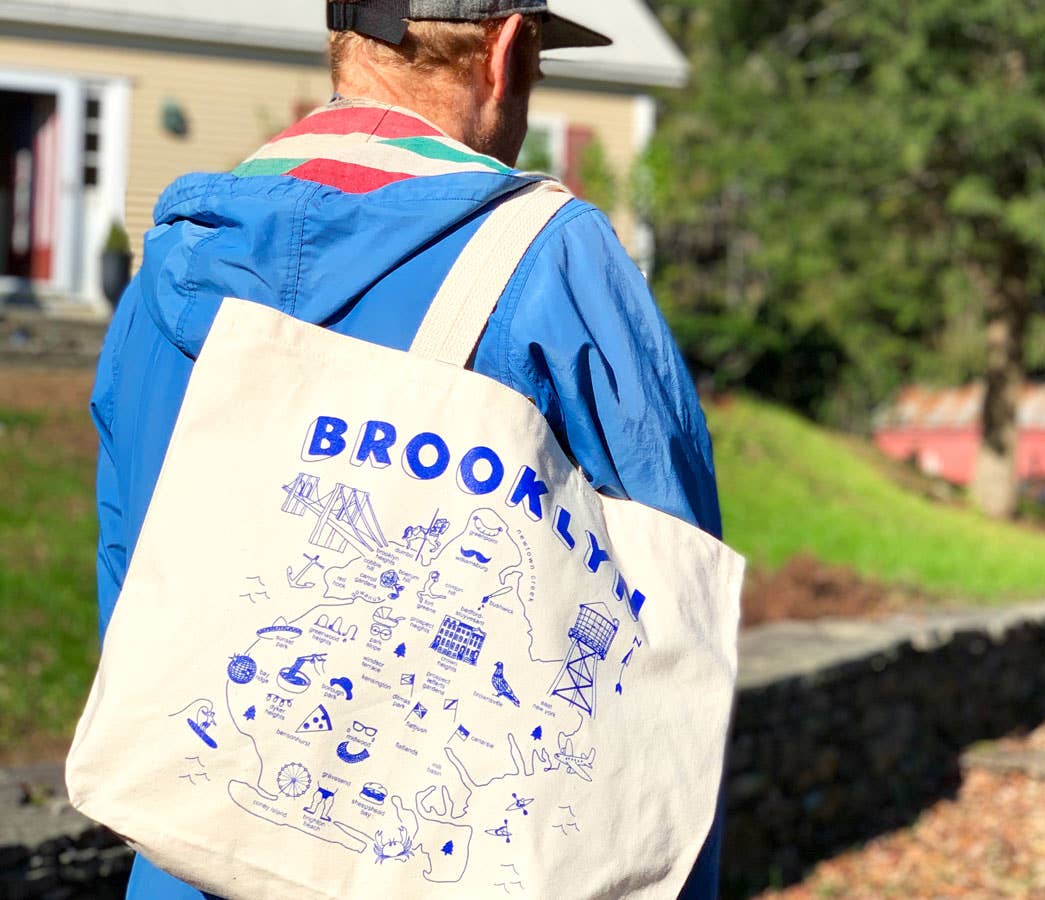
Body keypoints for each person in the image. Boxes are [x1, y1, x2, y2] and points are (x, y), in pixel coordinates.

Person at [91, 1, 726, 897]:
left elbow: (130, 582)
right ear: (505, 51)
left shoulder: (171, 264)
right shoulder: (555, 263)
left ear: (343, 40)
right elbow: (671, 638)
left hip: (200, 850)